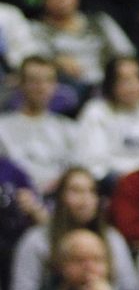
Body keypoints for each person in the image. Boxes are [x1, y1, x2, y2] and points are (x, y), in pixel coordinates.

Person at [10, 166, 139, 290]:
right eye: (76, 191)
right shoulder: (36, 240)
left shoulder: (112, 238)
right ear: (60, 197)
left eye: (92, 191)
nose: (85, 199)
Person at [0, 55, 79, 194]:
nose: (42, 87)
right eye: (34, 81)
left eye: (48, 81)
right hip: (17, 199)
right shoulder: (3, 128)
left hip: (59, 198)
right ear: (21, 83)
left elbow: (77, 170)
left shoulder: (68, 128)